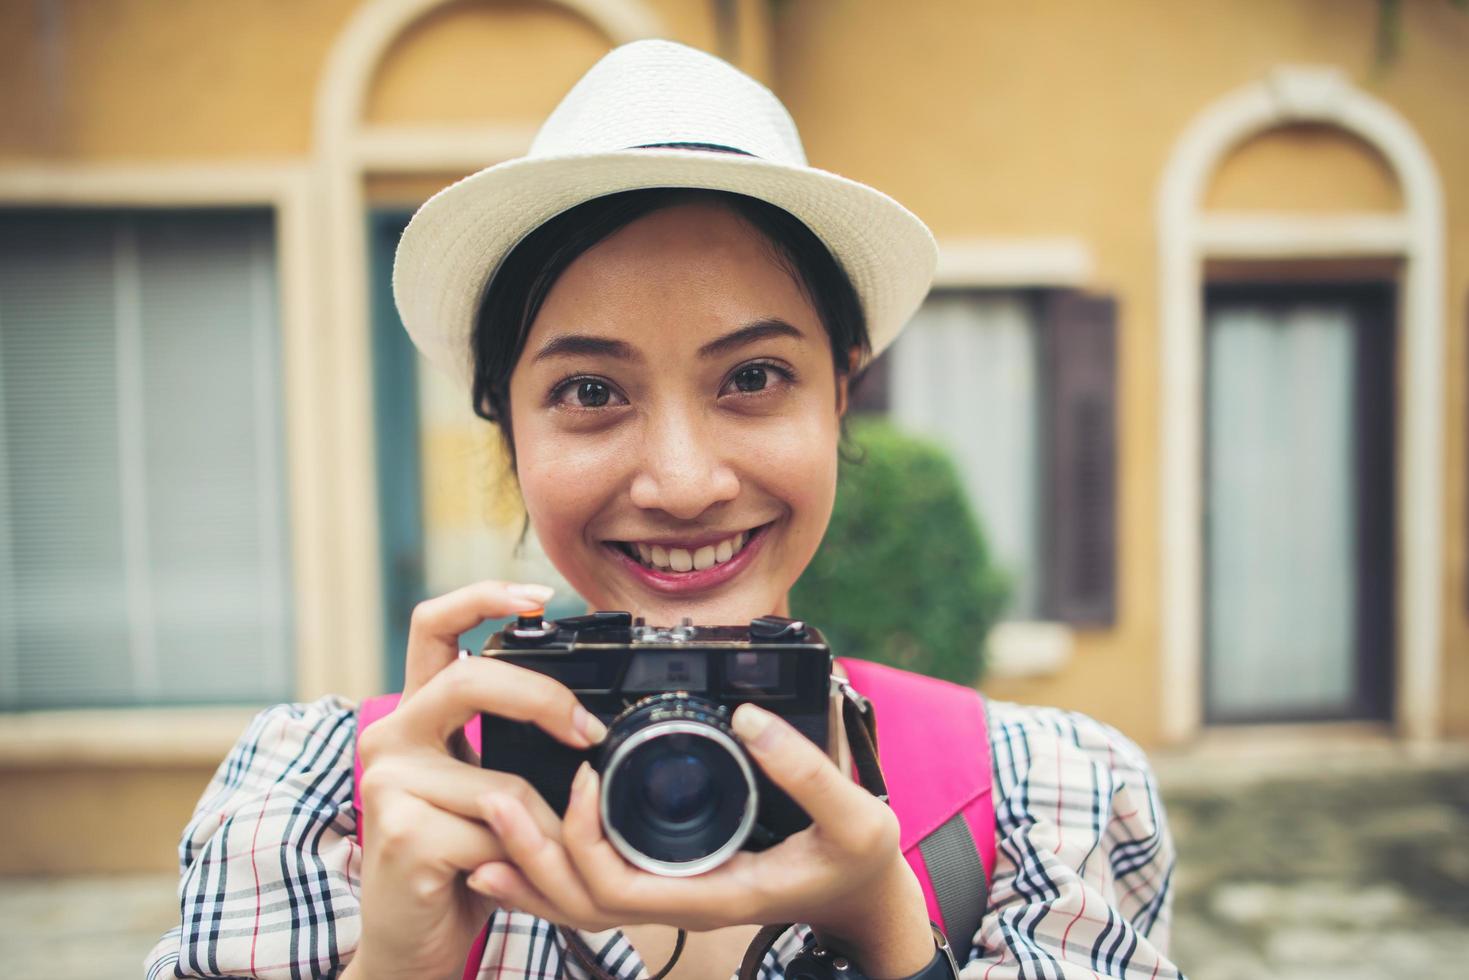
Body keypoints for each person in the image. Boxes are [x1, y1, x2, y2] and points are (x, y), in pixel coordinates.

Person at [146, 40, 1180, 980]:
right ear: (508, 427)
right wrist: (396, 962)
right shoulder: (318, 806)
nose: (681, 483)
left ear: (840, 393)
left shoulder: (1044, 797)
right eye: (590, 392)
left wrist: (888, 932)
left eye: (755, 375)